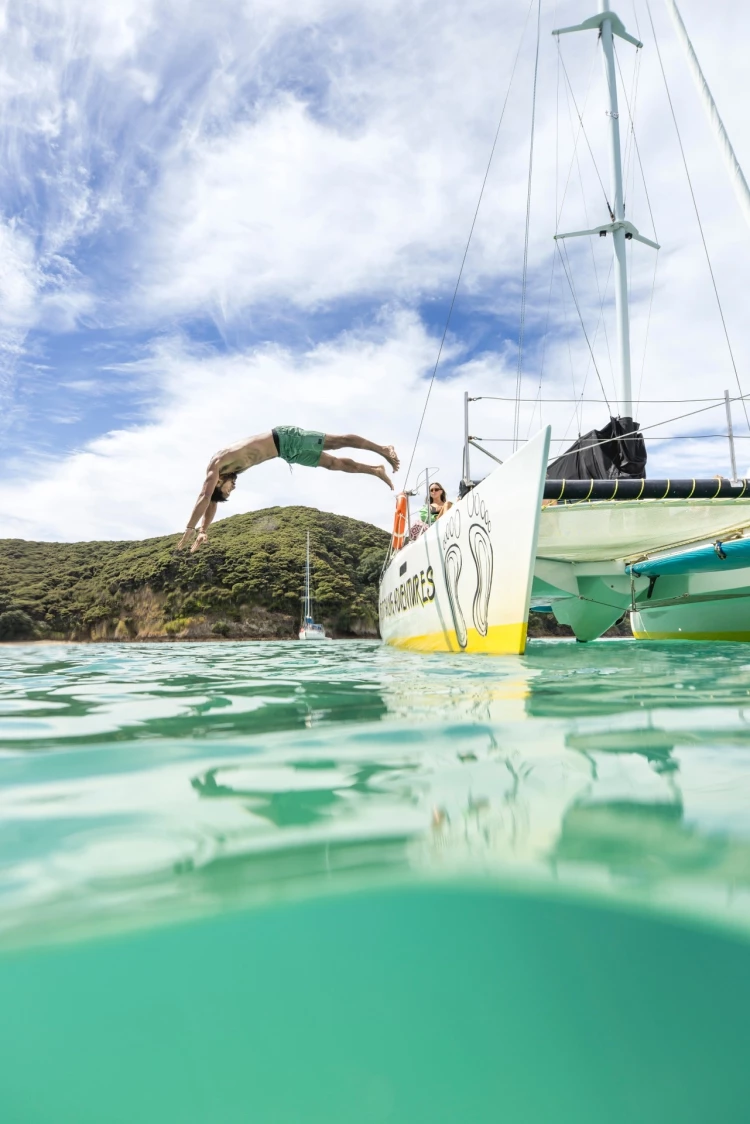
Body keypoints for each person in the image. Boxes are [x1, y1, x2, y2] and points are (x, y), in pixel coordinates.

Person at [177, 426, 400, 551]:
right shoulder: (220, 477)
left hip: (284, 438)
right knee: (334, 464)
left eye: (227, 489)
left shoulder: (215, 466)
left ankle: (381, 448)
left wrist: (189, 528)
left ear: (217, 482)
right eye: (230, 491)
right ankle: (375, 470)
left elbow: (206, 496)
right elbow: (211, 502)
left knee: (336, 441)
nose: (232, 488)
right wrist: (204, 530)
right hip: (286, 452)